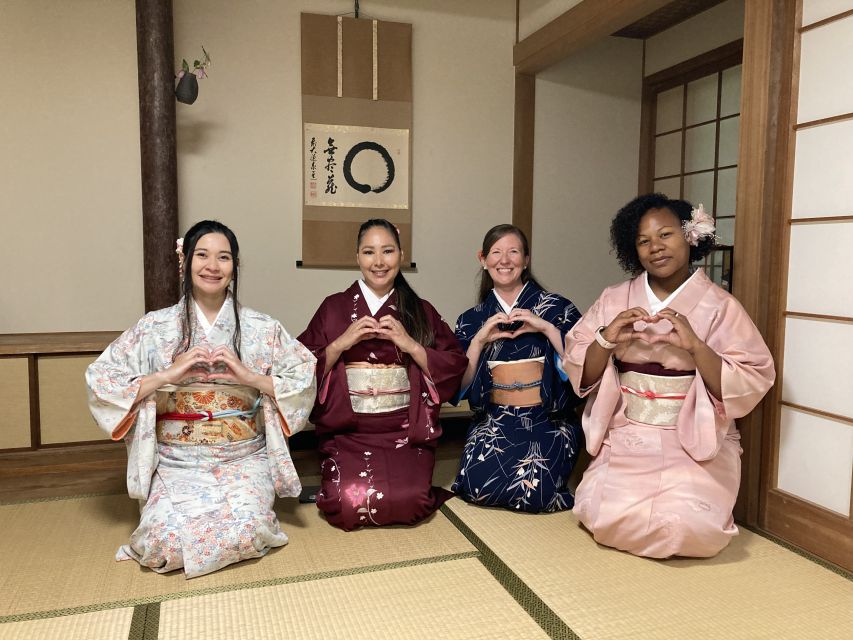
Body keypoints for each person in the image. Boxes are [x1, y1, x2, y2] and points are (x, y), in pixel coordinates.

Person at [86, 220, 317, 578]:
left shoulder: (262, 327)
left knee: (249, 531)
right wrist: (166, 376)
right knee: (163, 545)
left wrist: (250, 377)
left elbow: (303, 375)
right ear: (186, 262)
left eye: (224, 257)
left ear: (235, 266)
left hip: (243, 455)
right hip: (176, 459)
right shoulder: (154, 327)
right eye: (203, 255)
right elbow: (100, 379)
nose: (213, 266)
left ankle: (251, 504)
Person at [563, 194, 775, 558]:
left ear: (690, 237)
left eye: (666, 235)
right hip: (628, 431)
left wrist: (696, 347)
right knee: (601, 514)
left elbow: (753, 374)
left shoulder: (720, 306)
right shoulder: (614, 299)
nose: (655, 248)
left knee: (686, 527)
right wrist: (606, 337)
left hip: (693, 437)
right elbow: (578, 364)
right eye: (643, 241)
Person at [298, 219, 467, 530]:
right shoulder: (333, 308)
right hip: (348, 432)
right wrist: (340, 344)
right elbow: (295, 366)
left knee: (411, 502)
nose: (378, 262)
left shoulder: (420, 309)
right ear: (357, 257)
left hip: (404, 433)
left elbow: (455, 363)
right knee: (344, 504)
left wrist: (412, 346)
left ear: (400, 255)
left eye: (387, 251)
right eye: (369, 252)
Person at [451, 224, 584, 512]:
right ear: (483, 260)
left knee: (535, 492)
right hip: (494, 421)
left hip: (547, 419)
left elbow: (586, 368)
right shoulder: (471, 319)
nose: (505, 260)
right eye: (496, 252)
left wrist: (547, 329)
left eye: (513, 252)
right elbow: (458, 386)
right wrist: (478, 340)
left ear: (526, 259)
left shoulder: (558, 308)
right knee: (477, 487)